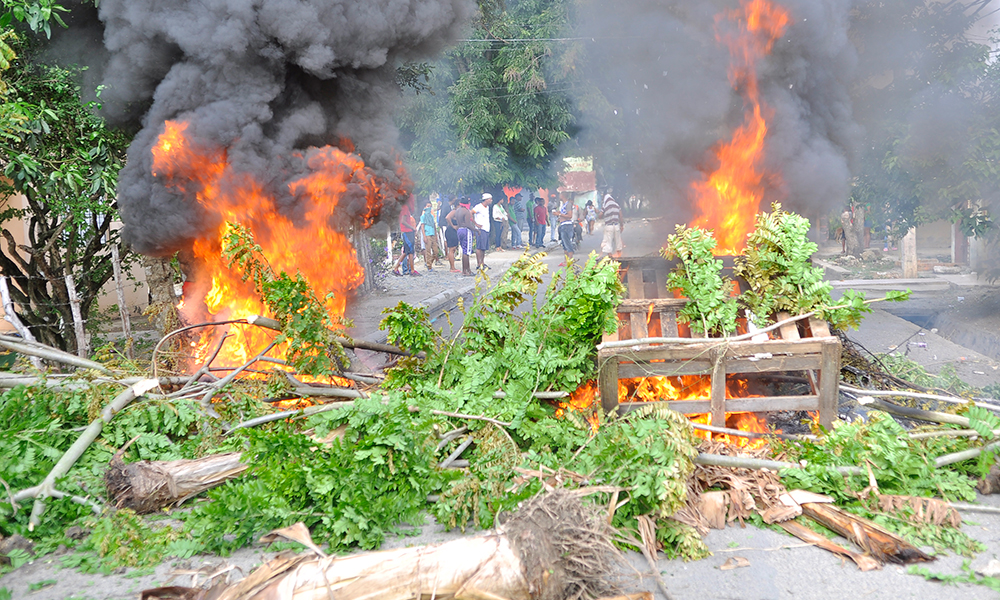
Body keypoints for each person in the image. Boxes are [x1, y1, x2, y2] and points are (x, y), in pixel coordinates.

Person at [392, 196, 420, 276]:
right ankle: (412, 270)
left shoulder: (403, 208)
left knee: (406, 252)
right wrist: (412, 228)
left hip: (407, 232)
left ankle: (396, 268)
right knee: (410, 251)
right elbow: (403, 221)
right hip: (407, 232)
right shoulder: (405, 208)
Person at [448, 198, 475, 276]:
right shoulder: (466, 211)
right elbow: (468, 224)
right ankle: (465, 270)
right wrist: (476, 230)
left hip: (459, 230)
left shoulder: (457, 211)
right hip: (466, 230)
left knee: (464, 250)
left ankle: (467, 270)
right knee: (466, 252)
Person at [599, 191, 624, 258]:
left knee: (608, 241)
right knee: (618, 240)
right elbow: (620, 216)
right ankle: (619, 256)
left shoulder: (605, 205)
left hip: (609, 226)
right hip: (616, 226)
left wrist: (601, 214)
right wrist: (621, 225)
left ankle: (610, 257)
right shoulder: (616, 205)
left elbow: (600, 215)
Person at [472, 193, 492, 271]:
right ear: (486, 199)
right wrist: (476, 224)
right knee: (479, 247)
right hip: (480, 229)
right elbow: (471, 213)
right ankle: (478, 263)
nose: (491, 200)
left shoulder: (487, 207)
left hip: (486, 229)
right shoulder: (478, 207)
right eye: (490, 199)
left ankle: (482, 262)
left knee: (484, 247)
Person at [440, 196, 460, 272]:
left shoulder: (457, 212)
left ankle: (453, 266)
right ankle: (452, 267)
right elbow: (447, 217)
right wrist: (453, 226)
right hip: (451, 231)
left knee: (453, 249)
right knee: (451, 249)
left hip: (453, 231)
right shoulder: (454, 211)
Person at [419, 201, 440, 271]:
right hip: (427, 235)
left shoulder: (431, 216)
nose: (429, 208)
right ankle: (429, 266)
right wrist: (424, 236)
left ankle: (429, 262)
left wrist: (436, 235)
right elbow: (422, 227)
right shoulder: (423, 217)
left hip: (433, 234)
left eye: (430, 206)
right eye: (428, 206)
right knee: (428, 251)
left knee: (436, 251)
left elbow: (434, 226)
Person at [556, 192, 576, 265]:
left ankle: (570, 259)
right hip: (563, 225)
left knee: (567, 243)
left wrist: (560, 214)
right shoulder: (564, 205)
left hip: (566, 226)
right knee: (564, 244)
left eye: (560, 194)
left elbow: (569, 215)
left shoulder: (568, 204)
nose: (559, 196)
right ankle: (566, 260)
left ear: (563, 196)